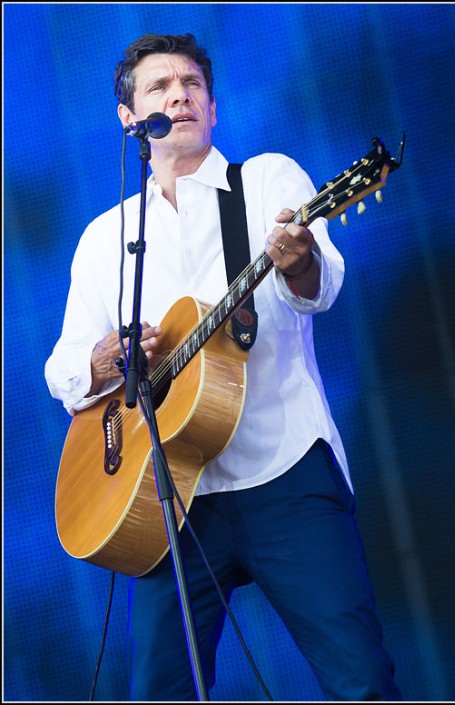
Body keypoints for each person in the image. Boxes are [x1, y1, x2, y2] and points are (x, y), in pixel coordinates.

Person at [45, 33, 402, 702]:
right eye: (159, 86)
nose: (178, 93)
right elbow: (63, 370)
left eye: (192, 85)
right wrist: (100, 363)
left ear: (212, 108)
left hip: (285, 471)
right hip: (168, 500)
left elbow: (321, 287)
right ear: (130, 118)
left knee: (362, 681)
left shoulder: (268, 181)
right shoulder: (104, 240)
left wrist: (297, 258)